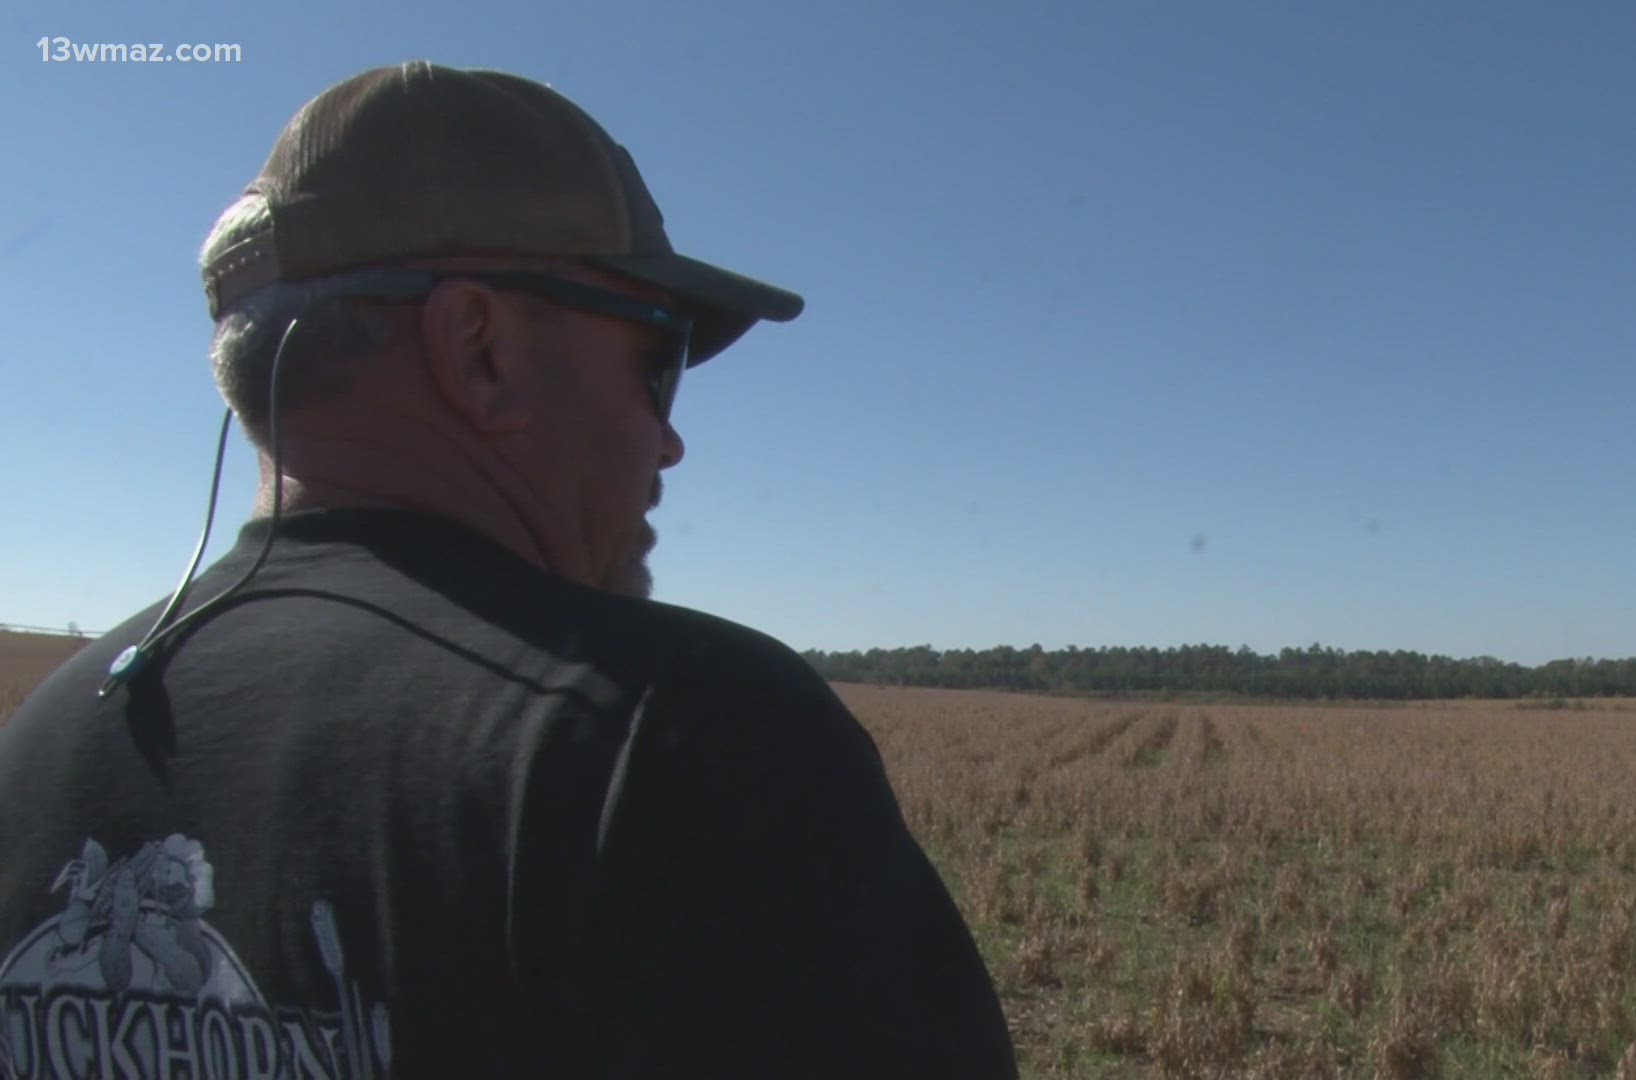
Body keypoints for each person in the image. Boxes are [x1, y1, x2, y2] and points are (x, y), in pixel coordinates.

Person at [0, 61, 1017, 1079]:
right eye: (656, 362)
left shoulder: (48, 743)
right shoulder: (681, 738)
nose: (669, 444)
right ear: (480, 349)